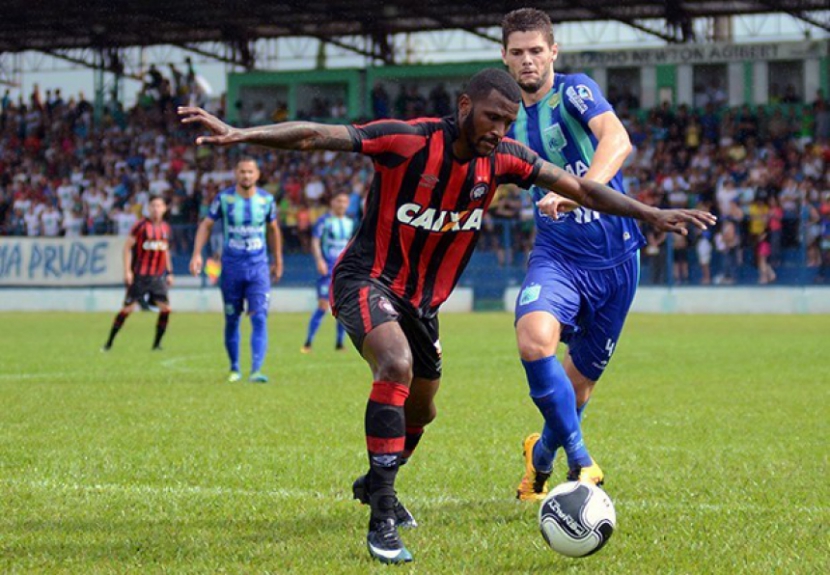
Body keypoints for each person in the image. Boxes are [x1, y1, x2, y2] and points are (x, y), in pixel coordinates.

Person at [178, 68, 714, 564]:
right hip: (365, 279)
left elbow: (578, 187)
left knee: (424, 412)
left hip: (422, 303)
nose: (499, 129)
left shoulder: (505, 157)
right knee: (394, 365)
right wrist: (240, 133)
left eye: (507, 121)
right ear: (465, 106)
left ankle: (374, 482)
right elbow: (317, 135)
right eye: (491, 118)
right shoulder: (409, 139)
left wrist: (648, 212)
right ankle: (383, 513)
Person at [500, 8, 647, 500]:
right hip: (557, 256)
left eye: (536, 50)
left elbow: (617, 139)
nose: (527, 60)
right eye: (517, 52)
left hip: (617, 260)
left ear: (553, 52)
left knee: (577, 389)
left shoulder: (575, 90)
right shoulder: (504, 116)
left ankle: (539, 459)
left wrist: (579, 190)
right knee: (534, 340)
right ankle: (581, 461)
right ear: (504, 56)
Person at [189, 158, 283, 383]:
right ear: (236, 173)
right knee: (232, 318)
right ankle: (234, 368)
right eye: (242, 172)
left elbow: (273, 229)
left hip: (258, 267)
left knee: (259, 317)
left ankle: (256, 370)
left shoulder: (267, 200)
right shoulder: (224, 198)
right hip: (231, 267)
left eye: (250, 172)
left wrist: (278, 259)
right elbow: (206, 225)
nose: (246, 176)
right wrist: (196, 254)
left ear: (257, 174)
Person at [102, 195, 173, 351]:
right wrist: (127, 271)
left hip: (157, 277)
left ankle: (156, 344)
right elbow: (127, 248)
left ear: (164, 209)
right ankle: (109, 343)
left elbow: (165, 250)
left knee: (166, 309)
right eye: (153, 205)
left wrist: (169, 272)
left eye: (159, 206)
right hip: (139, 276)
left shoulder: (166, 228)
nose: (156, 209)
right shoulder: (140, 226)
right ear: (149, 208)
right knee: (127, 310)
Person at [302, 190, 356, 353]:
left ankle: (339, 344)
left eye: (344, 202)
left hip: (344, 271)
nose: (342, 205)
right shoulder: (324, 221)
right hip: (327, 269)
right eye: (338, 201)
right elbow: (315, 241)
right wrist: (319, 260)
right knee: (323, 305)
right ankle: (308, 342)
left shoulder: (350, 222)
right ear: (332, 202)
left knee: (343, 307)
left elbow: (350, 245)